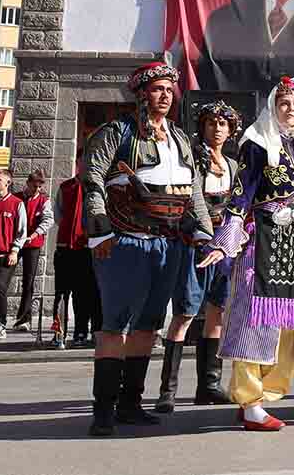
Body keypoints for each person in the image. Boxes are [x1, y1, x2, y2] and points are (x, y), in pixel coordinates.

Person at [81, 61, 213, 437]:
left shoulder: (181, 138)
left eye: (170, 90)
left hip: (169, 243)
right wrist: (99, 229)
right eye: (157, 89)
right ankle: (103, 410)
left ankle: (130, 404)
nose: (165, 96)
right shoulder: (116, 132)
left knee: (148, 323)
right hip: (124, 240)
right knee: (115, 325)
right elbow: (92, 178)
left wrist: (204, 232)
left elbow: (194, 191)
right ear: (141, 93)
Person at [197, 76, 294, 431]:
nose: (290, 109)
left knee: (285, 324)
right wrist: (224, 239)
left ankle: (266, 395)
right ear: (273, 107)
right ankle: (249, 398)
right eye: (284, 103)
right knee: (255, 318)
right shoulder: (257, 143)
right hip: (263, 239)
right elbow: (241, 195)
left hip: (293, 242)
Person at [155, 101, 242, 412]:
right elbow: (192, 201)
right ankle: (168, 390)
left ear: (230, 131)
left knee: (217, 313)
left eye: (223, 124)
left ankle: (209, 385)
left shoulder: (233, 165)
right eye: (211, 123)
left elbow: (236, 205)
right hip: (196, 244)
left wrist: (230, 240)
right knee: (185, 313)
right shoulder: (192, 159)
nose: (217, 129)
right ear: (203, 127)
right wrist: (205, 236)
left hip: (225, 248)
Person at [52, 154, 100, 348]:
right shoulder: (66, 187)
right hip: (65, 248)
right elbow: (58, 214)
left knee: (86, 294)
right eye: (82, 162)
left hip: (88, 249)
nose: (85, 166)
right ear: (77, 164)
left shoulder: (97, 186)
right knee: (61, 293)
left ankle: (82, 332)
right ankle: (59, 333)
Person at [0, 169, 27, 340]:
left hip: (6, 253)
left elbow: (21, 230)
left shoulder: (16, 203)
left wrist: (15, 250)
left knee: (0, 287)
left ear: (8, 183)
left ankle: (1, 324)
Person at [12, 168, 54, 332]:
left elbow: (47, 220)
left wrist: (35, 234)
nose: (37, 189)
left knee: (28, 282)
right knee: (2, 280)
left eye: (39, 186)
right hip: (15, 243)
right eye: (34, 186)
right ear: (27, 183)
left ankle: (24, 318)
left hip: (33, 244)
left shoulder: (44, 201)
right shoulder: (17, 198)